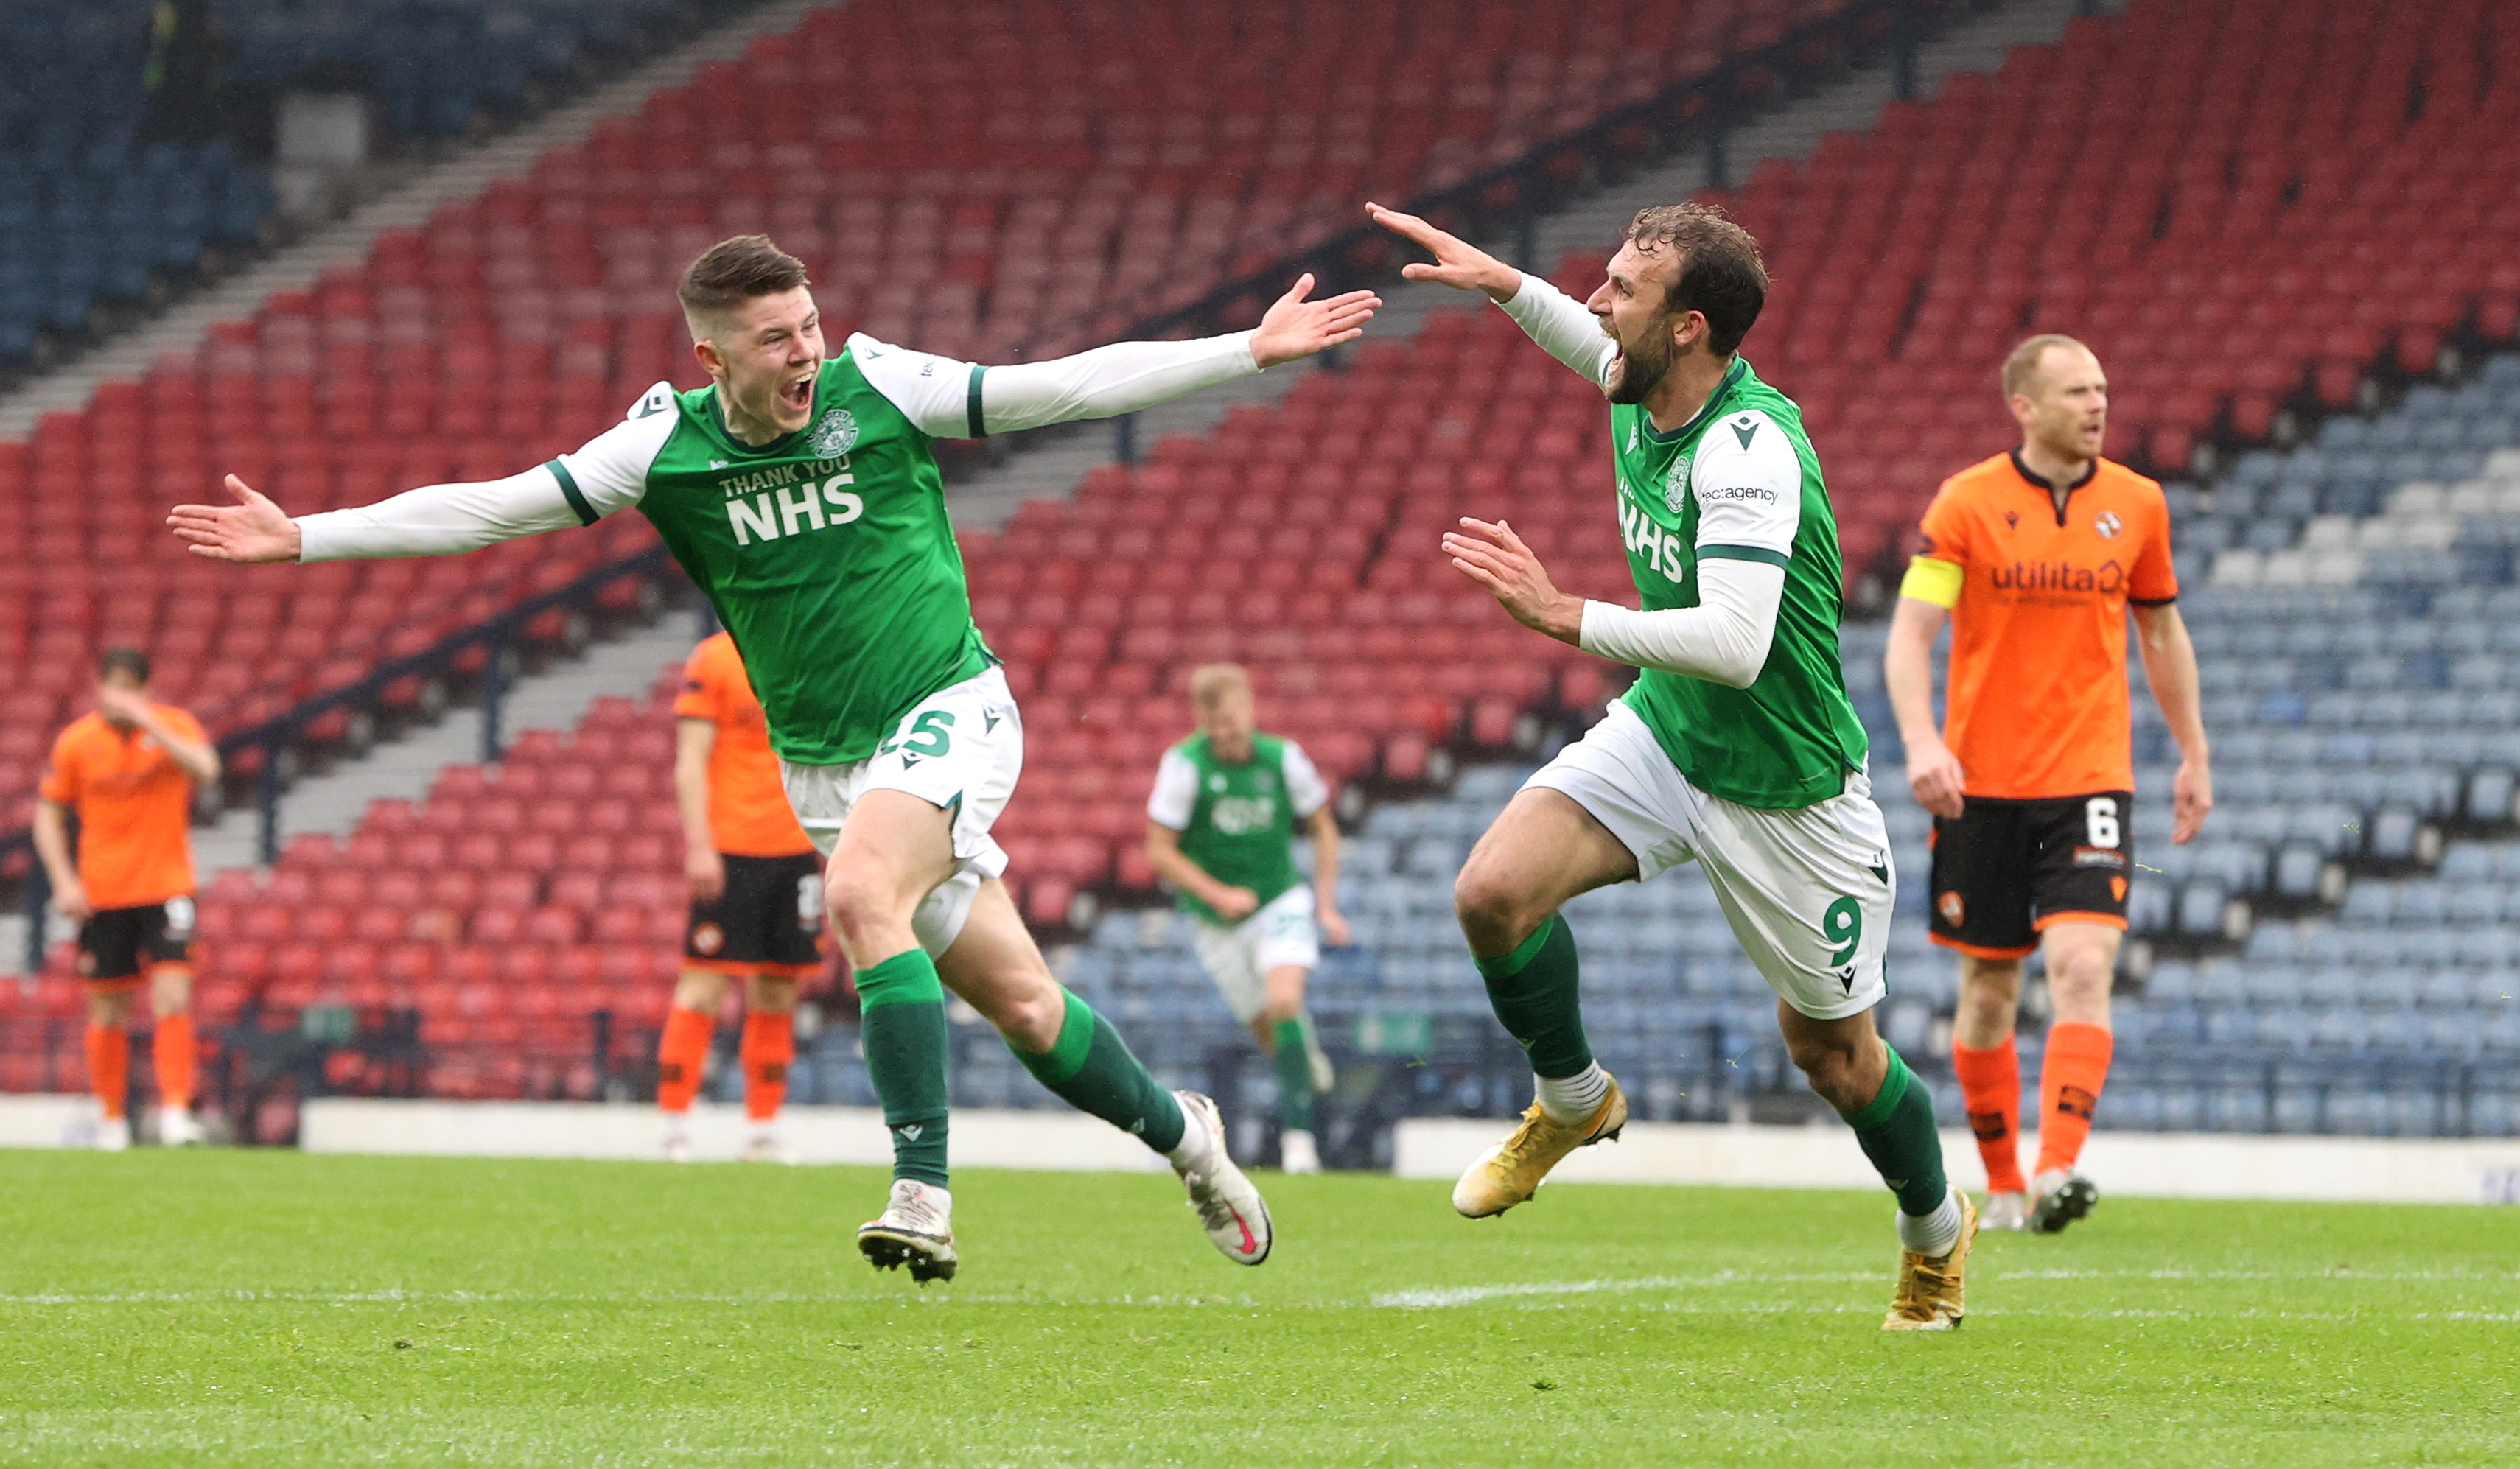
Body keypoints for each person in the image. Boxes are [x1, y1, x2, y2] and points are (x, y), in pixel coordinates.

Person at [170, 234, 1376, 1282]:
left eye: (807, 325)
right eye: (773, 338)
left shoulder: (881, 383)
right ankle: (1192, 1143)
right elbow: (491, 507)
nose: (803, 352)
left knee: (858, 897)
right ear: (713, 358)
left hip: (950, 705)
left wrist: (1241, 350)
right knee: (1023, 1004)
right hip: (823, 767)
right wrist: (306, 538)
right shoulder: (663, 450)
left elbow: (1052, 388)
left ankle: (922, 1189)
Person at [1368, 199, 1973, 1330]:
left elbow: (1738, 645)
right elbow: (1576, 335)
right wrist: (1503, 283)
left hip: (1789, 788)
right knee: (1494, 894)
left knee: (1836, 1060)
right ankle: (1575, 1101)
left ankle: (1935, 1235)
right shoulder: (1638, 380)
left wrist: (1562, 614)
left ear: (1690, 327)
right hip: (1668, 731)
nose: (1600, 303)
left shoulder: (1747, 447)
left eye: (1625, 292)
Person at [1883, 334, 2211, 1235]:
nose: (2097, 405)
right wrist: (1920, 743)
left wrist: (2194, 754)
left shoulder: (2138, 505)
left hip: (2090, 779)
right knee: (1989, 990)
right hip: (1979, 787)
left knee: (2080, 962)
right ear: (2023, 405)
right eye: (2075, 391)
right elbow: (1911, 635)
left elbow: (2162, 635)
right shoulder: (1968, 504)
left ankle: (2061, 1165)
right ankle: (2007, 1181)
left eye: (2102, 388)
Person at [1145, 664, 1348, 1174]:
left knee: (1283, 1002)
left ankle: (1299, 1144)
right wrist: (1217, 893)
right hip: (1215, 922)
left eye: (1230, 722)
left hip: (1279, 901)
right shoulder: (1184, 765)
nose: (1223, 735)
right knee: (1269, 1033)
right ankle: (1303, 1056)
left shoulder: (1283, 759)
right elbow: (1160, 851)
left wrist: (1325, 903)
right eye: (1212, 725)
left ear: (1250, 711)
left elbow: (1323, 827)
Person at [34, 648, 220, 1150]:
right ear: (99, 688)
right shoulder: (77, 742)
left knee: (173, 995)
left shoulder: (173, 726)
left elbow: (206, 769)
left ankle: (176, 1115)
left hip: (167, 887)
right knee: (108, 1010)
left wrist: (151, 725)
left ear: (146, 690)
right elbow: (48, 814)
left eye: (129, 688)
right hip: (104, 893)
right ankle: (111, 1120)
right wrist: (63, 880)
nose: (119, 697)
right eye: (111, 687)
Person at [659, 628, 825, 1164]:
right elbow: (690, 760)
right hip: (731, 850)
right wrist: (700, 846)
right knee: (704, 987)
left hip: (798, 851)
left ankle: (762, 1129)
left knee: (779, 992)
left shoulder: (812, 651)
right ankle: (675, 1124)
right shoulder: (715, 657)